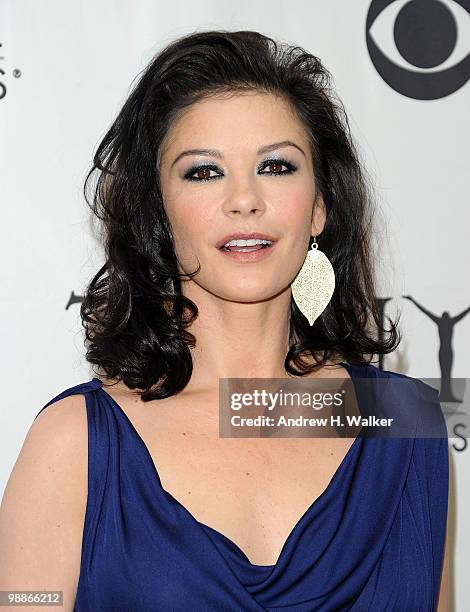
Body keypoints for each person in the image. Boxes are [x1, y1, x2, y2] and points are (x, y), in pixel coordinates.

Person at [0, 29, 449, 611]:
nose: (245, 199)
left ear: (319, 206)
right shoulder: (75, 443)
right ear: (156, 212)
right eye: (204, 172)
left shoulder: (406, 422)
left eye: (276, 165)